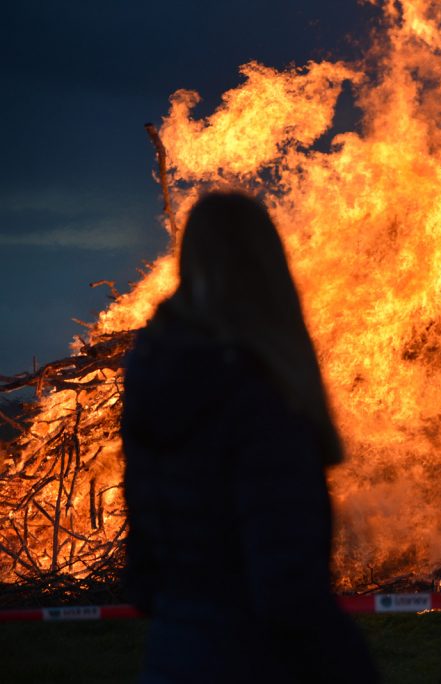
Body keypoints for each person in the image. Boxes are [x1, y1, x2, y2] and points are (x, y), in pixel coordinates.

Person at [121, 192, 377, 683]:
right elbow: (286, 582)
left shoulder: (155, 372)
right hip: (256, 656)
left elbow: (144, 563)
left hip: (175, 648)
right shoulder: (258, 392)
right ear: (268, 266)